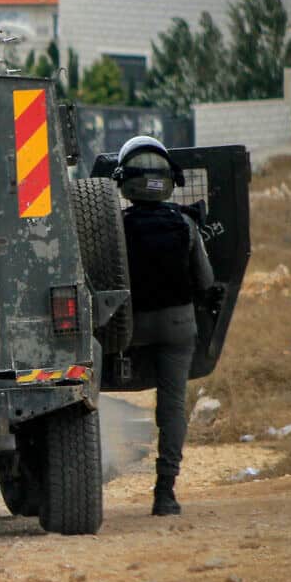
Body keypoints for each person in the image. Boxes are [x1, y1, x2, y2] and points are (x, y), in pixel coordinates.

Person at [113, 136, 216, 517]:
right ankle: (165, 493)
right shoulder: (185, 224)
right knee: (172, 408)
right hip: (177, 326)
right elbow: (205, 281)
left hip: (128, 328)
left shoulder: (115, 225)